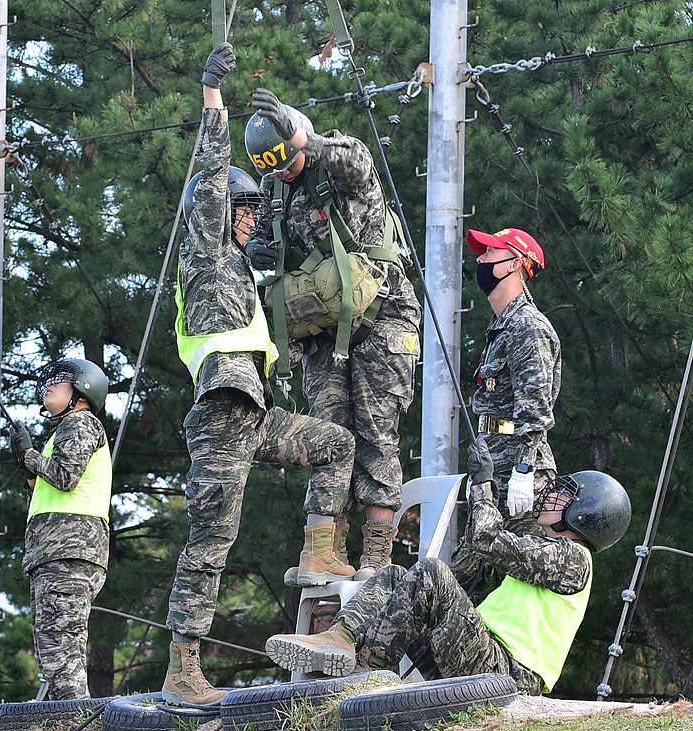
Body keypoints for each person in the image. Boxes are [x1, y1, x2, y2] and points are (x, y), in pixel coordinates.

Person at [164, 43, 356, 706]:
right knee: (210, 543)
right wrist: (213, 95)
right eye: (244, 213)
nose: (251, 221)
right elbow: (212, 170)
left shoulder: (242, 275)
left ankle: (319, 548)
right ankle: (182, 666)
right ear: (218, 216)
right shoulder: (205, 250)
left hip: (255, 414)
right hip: (222, 414)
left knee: (337, 443)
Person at [264, 438, 631, 695]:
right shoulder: (543, 549)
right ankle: (342, 641)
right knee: (393, 575)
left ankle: (367, 671)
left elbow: (485, 539)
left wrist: (483, 487)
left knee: (430, 571)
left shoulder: (572, 560)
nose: (552, 495)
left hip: (508, 674)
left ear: (586, 514)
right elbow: (468, 563)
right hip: (476, 654)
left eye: (565, 494)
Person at [244, 88, 423, 582]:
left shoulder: (336, 160)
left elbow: (358, 163)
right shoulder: (273, 189)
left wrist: (305, 137)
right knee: (330, 438)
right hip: (326, 334)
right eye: (273, 166)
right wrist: (262, 250)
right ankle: (323, 550)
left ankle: (377, 560)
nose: (282, 173)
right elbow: (269, 239)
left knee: (375, 435)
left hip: (382, 320)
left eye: (287, 162)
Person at [449, 227, 561, 595]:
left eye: (488, 254)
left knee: (514, 585)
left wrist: (524, 471)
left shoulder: (527, 327)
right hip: (494, 470)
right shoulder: (501, 327)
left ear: (513, 263)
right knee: (464, 584)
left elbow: (535, 411)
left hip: (519, 478)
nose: (479, 261)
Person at [8, 358, 112, 701]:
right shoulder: (64, 430)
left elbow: (65, 477)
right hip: (60, 552)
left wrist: (29, 454)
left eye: (60, 379)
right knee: (55, 647)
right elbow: (47, 486)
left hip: (69, 551)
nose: (49, 384)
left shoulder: (80, 422)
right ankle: (64, 716)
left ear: (83, 390)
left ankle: (73, 717)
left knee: (61, 648)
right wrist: (28, 465)